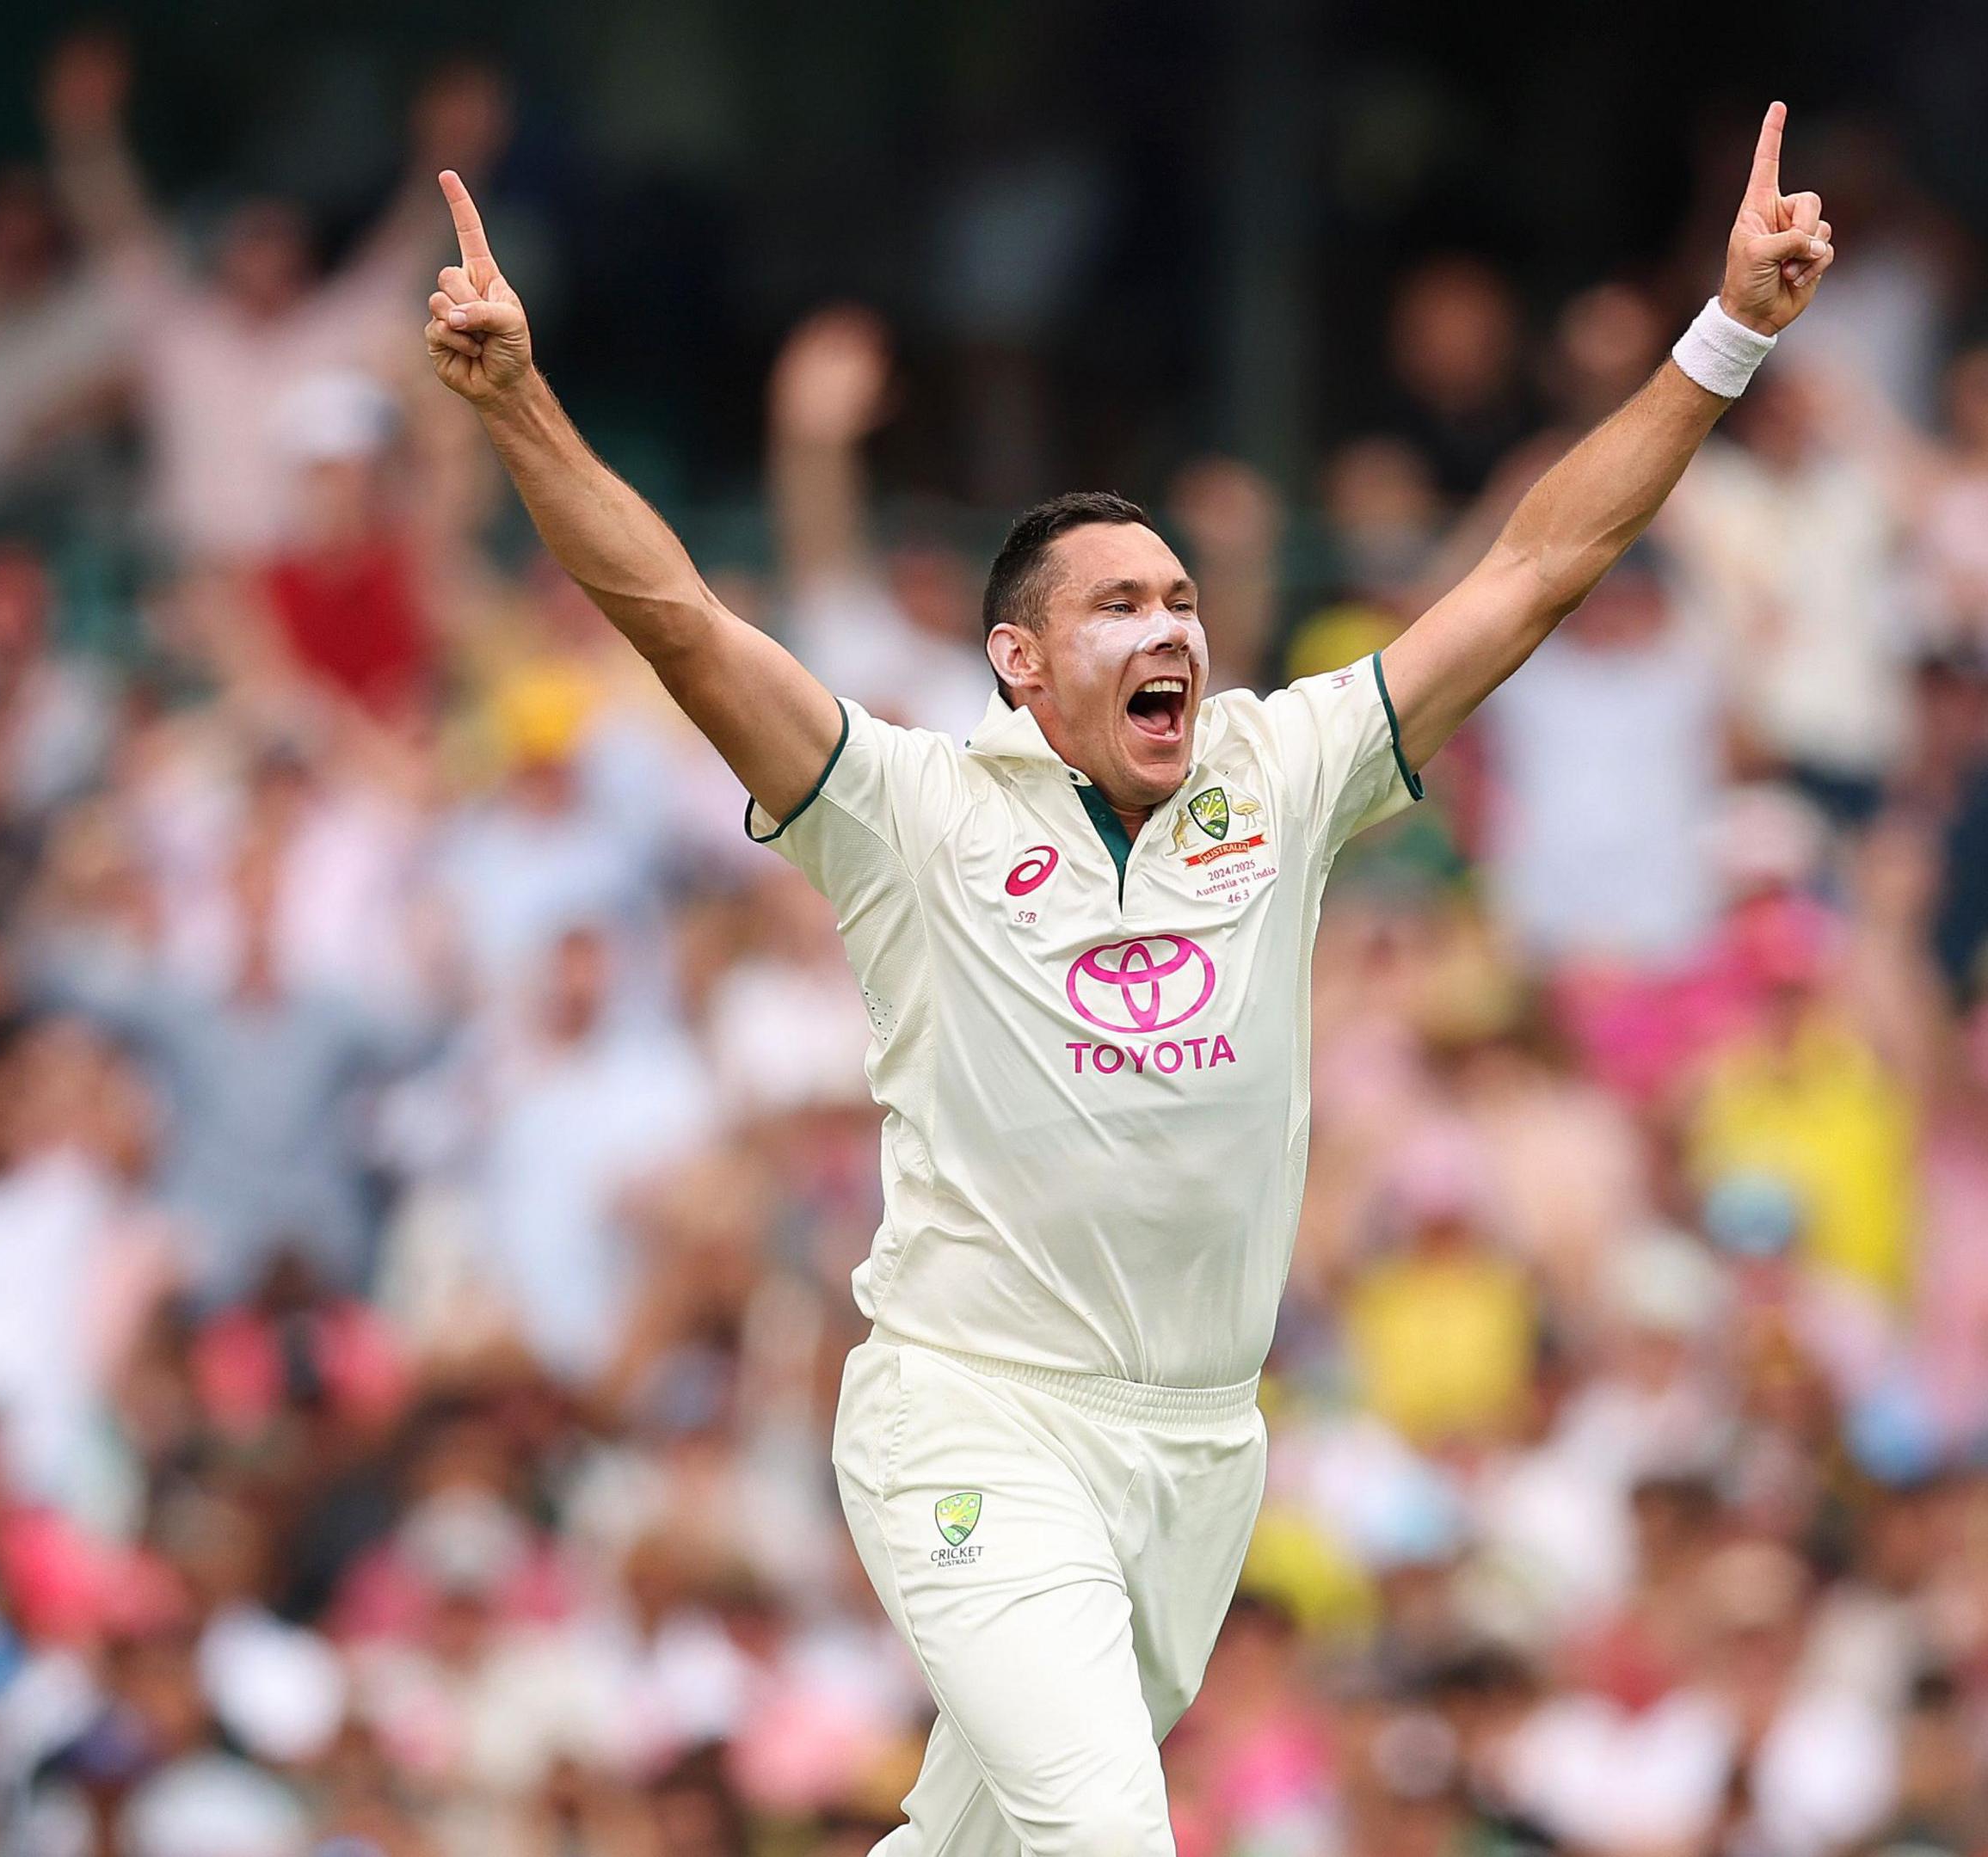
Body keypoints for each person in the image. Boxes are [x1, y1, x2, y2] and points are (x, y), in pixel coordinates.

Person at [421, 107, 1835, 1857]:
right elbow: (683, 618)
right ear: (1017, 663)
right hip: (972, 1419)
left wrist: (1731, 335)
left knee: (980, 1845)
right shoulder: (908, 808)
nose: (1171, 628)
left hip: (1193, 1452)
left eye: (1180, 597)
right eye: (1116, 607)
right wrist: (517, 408)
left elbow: (1538, 567)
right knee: (1105, 1836)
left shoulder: (1286, 768)